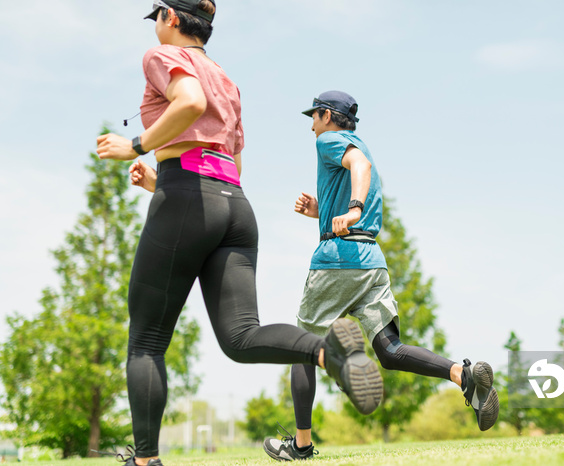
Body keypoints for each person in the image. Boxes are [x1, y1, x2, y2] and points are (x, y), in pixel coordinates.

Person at [96, 4, 382, 465]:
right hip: (233, 204)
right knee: (241, 337)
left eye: (156, 17)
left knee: (147, 342)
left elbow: (189, 102)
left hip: (188, 197)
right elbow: (229, 160)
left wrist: (135, 145)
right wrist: (160, 182)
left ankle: (145, 460)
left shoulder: (161, 57)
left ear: (170, 17)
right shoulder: (227, 80)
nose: (154, 26)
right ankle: (328, 353)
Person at [262, 91, 500, 461]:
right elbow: (360, 170)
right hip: (371, 260)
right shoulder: (362, 145)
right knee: (389, 350)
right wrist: (321, 211)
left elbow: (359, 167)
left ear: (327, 115)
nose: (311, 125)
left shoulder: (330, 141)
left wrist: (352, 209)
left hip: (337, 260)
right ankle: (460, 374)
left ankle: (302, 445)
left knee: (301, 348)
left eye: (314, 116)